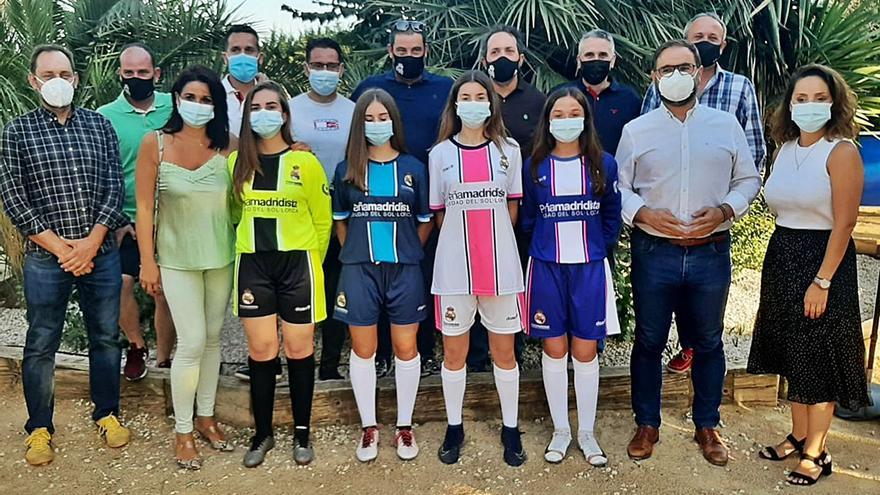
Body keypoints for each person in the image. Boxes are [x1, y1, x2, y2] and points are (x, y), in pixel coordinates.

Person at [615, 40, 760, 467]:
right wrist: (642, 213)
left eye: (685, 67)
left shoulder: (726, 124)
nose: (676, 75)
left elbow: (748, 179)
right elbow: (619, 186)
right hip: (653, 252)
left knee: (710, 342)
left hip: (710, 251)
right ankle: (647, 423)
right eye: (666, 69)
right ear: (654, 77)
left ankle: (707, 425)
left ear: (699, 72)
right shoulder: (637, 130)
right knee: (648, 341)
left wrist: (724, 209)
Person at [0, 45, 131, 466]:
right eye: (48, 73)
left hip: (101, 253)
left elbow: (114, 189)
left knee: (106, 337)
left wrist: (91, 244)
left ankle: (106, 413)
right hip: (46, 258)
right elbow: (14, 199)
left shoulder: (99, 126)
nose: (58, 80)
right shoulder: (16, 132)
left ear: (76, 78)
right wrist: (62, 249)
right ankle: (40, 428)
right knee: (41, 342)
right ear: (33, 81)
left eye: (65, 73)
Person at [748, 64, 870, 486]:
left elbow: (845, 223)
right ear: (790, 104)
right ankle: (798, 436)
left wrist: (822, 281)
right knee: (791, 351)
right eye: (802, 99)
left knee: (818, 356)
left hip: (824, 260)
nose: (809, 106)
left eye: (819, 98)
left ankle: (817, 452)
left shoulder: (842, 152)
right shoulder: (785, 147)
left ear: (834, 103)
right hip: (783, 252)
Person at [645, 12, 768, 375]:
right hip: (663, 225)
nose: (705, 40)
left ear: (721, 47)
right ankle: (687, 347)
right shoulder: (662, 86)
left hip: (712, 218)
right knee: (665, 311)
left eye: (712, 37)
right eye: (698, 35)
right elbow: (644, 143)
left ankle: (704, 396)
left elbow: (754, 154)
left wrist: (728, 205)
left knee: (706, 308)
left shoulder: (740, 88)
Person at [135, 65, 237, 470]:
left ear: (217, 104)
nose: (197, 105)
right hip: (175, 259)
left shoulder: (227, 146)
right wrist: (147, 261)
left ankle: (207, 416)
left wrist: (296, 147)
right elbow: (144, 207)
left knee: (212, 339)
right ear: (176, 98)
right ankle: (182, 429)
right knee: (191, 341)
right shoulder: (155, 144)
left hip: (221, 256)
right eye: (190, 97)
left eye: (206, 99)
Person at [228, 81, 331, 468]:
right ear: (247, 114)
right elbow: (233, 216)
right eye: (257, 107)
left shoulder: (305, 161)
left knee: (300, 349)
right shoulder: (234, 164)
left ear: (285, 114)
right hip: (254, 264)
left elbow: (322, 222)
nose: (265, 113)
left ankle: (302, 432)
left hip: (298, 265)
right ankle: (262, 434)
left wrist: (311, 261)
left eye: (273, 105)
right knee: (261, 351)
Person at [429, 71, 526, 467]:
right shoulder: (439, 155)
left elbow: (513, 206)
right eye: (465, 96)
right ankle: (454, 427)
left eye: (479, 96)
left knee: (505, 354)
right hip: (453, 271)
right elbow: (438, 214)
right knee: (455, 355)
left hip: (501, 269)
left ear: (491, 104)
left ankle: (511, 428)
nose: (473, 103)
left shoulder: (510, 150)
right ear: (455, 105)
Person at [521, 88, 622, 466]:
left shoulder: (603, 165)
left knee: (584, 351)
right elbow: (529, 218)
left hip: (590, 268)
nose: (566, 120)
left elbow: (612, 215)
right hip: (546, 267)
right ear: (548, 121)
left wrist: (597, 245)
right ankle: (561, 430)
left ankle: (587, 432)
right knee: (554, 349)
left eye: (573, 112)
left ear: (585, 118)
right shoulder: (535, 166)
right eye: (558, 114)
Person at [332, 89, 432, 462]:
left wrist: (407, 251)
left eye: (383, 118)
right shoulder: (346, 171)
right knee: (363, 348)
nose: (377, 125)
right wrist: (356, 252)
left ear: (394, 121)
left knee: (407, 348)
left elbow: (424, 223)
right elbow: (340, 223)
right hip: (359, 269)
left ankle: (404, 426)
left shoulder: (413, 168)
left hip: (404, 269)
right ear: (359, 125)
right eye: (369, 119)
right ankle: (369, 426)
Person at [351, 19, 454, 377]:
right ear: (390, 51)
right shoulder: (371, 88)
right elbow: (355, 136)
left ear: (425, 51)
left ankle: (422, 352)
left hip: (426, 196)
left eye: (415, 51)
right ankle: (378, 354)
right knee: (377, 272)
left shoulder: (444, 89)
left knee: (420, 274)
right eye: (401, 50)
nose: (408, 56)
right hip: (376, 195)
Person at [97, 42, 177, 381]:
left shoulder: (175, 108)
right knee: (120, 284)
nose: (136, 78)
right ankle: (135, 345)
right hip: (127, 219)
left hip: (172, 218)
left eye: (143, 73)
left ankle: (164, 359)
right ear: (120, 74)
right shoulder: (105, 116)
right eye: (128, 73)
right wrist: (116, 219)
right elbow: (101, 171)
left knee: (165, 292)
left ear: (156, 74)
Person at [468, 25, 545, 372]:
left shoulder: (538, 102)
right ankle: (477, 354)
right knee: (477, 278)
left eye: (509, 52)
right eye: (495, 52)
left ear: (520, 58)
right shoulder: (472, 101)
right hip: (476, 209)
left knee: (514, 281)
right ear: (485, 60)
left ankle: (513, 348)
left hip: (522, 211)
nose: (502, 58)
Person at [290, 37, 355, 381]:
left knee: (335, 288)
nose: (325, 72)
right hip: (299, 215)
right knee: (301, 289)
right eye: (318, 65)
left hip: (344, 212)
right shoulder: (290, 108)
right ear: (306, 68)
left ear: (341, 69)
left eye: (331, 66)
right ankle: (296, 363)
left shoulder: (353, 110)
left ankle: (330, 365)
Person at [555, 29, 640, 156]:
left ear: (612, 60)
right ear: (579, 61)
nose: (596, 60)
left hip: (615, 173)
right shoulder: (560, 95)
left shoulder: (630, 99)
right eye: (589, 55)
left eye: (603, 55)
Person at [223, 24, 266, 137]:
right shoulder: (211, 95)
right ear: (225, 58)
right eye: (235, 50)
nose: (242, 55)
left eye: (249, 50)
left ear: (260, 58)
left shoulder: (272, 97)